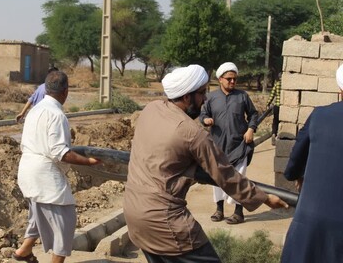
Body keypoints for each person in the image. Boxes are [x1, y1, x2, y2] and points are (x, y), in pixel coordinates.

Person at [123, 64, 288, 263]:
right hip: (165, 222)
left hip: (133, 212)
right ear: (186, 97)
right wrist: (265, 198)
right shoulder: (192, 133)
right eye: (201, 94)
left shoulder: (151, 109)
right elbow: (225, 175)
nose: (204, 100)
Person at [13, 70, 101, 263]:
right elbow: (60, 152)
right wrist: (89, 162)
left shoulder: (35, 109)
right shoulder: (56, 114)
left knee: (39, 212)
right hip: (45, 174)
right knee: (65, 221)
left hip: (27, 169)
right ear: (65, 91)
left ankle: (24, 251)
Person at [281, 64, 343, 263]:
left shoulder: (319, 115)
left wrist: (294, 175)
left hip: (311, 225)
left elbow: (297, 156)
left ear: (340, 89)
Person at [199, 62, 259, 225]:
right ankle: (219, 210)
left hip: (239, 146)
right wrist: (205, 119)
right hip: (217, 146)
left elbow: (253, 114)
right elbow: (203, 113)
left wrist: (251, 129)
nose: (232, 82)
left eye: (234, 79)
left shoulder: (242, 96)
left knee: (239, 179)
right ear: (220, 79)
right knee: (217, 179)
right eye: (229, 79)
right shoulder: (211, 98)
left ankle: (239, 213)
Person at [266, 73, 281, 146]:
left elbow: (272, 95)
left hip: (276, 106)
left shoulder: (277, 84)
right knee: (281, 121)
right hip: (283, 107)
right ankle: (280, 136)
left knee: (275, 120)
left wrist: (268, 103)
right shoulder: (286, 85)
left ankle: (273, 134)